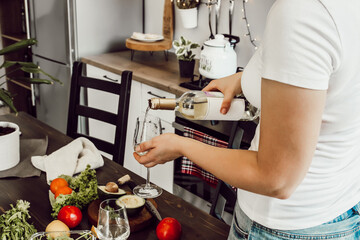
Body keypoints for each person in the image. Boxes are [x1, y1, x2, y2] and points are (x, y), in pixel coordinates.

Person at [134, 0, 360, 238]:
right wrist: (245, 79)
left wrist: (181, 145)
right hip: (337, 211)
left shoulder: (302, 12)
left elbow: (275, 178)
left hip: (284, 227)